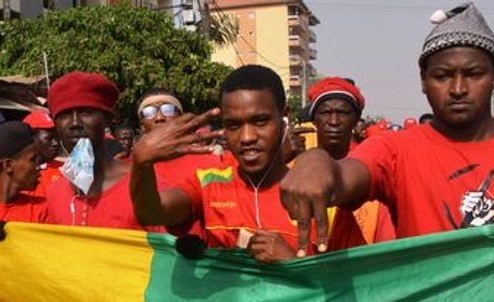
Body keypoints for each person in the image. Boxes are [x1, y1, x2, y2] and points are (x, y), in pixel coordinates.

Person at [280, 3, 494, 255]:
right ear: (423, 80)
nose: (457, 88)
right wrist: (318, 163)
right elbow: (349, 175)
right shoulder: (397, 149)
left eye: (473, 74)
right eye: (442, 76)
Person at [131, 65, 319, 262]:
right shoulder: (209, 182)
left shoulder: (314, 187)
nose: (247, 137)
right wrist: (141, 162)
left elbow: (342, 283)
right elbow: (152, 213)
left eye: (260, 121)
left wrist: (292, 265)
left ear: (284, 117)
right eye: (233, 125)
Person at [44, 71, 149, 230]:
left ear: (107, 119)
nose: (75, 123)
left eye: (86, 112)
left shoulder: (141, 185)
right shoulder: (55, 192)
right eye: (65, 115)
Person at [306, 76, 396, 249]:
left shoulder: (372, 175)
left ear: (356, 120)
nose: (333, 122)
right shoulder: (296, 172)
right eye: (325, 113)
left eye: (343, 113)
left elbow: (386, 249)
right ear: (313, 119)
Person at [23, 109, 63, 197]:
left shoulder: (66, 171)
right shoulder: (16, 173)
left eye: (57, 137)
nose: (55, 143)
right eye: (49, 138)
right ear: (31, 139)